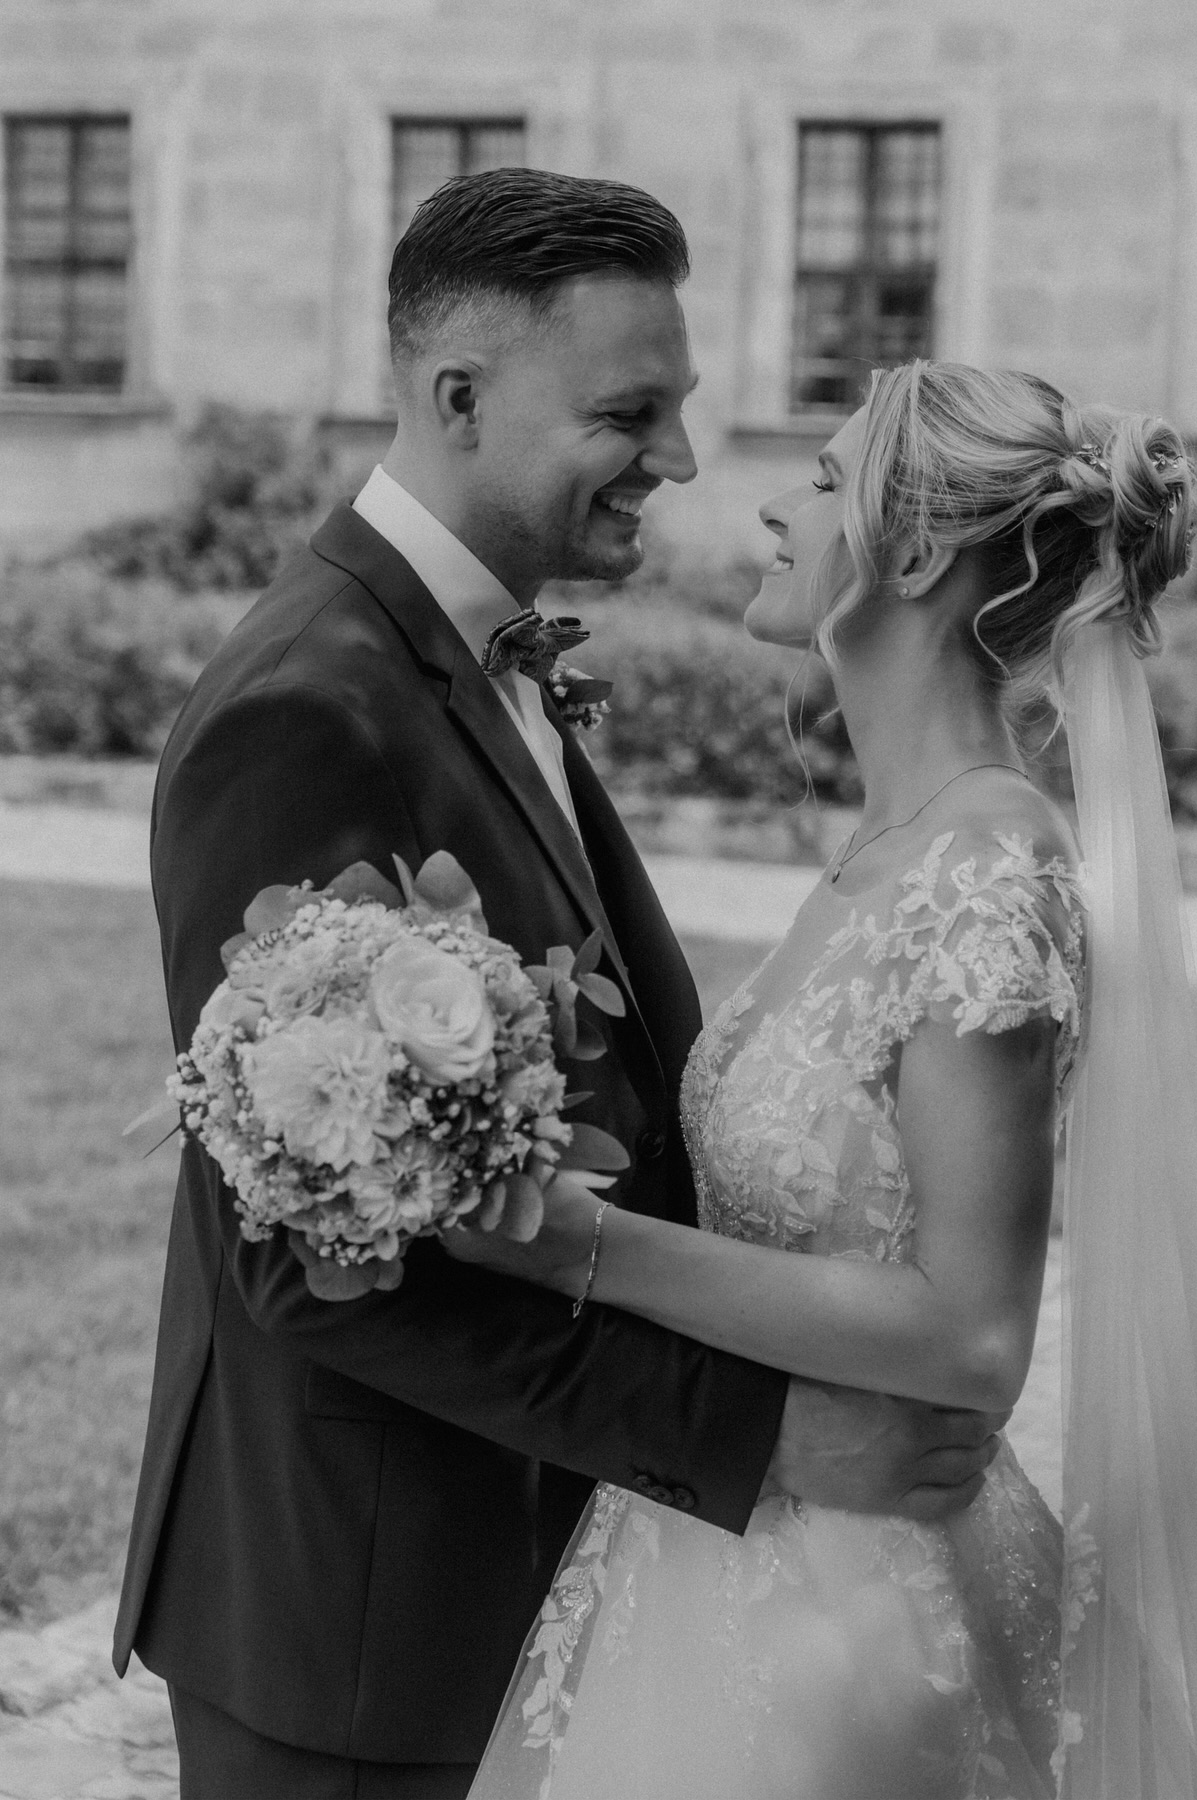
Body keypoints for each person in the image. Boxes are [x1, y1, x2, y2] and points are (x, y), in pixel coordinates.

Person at [113, 172, 1006, 1799]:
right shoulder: (307, 712)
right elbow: (306, 1263)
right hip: (366, 1621)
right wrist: (759, 1437)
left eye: (679, 406)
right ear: (461, 396)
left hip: (545, 1579)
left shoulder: (486, 658)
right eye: (628, 413)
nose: (680, 459)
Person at [452, 363, 1197, 1799]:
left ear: (916, 557)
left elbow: (973, 1335)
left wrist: (585, 1246)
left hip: (861, 1625)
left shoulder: (990, 869)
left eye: (821, 482)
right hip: (730, 1540)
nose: (772, 508)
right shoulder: (893, 845)